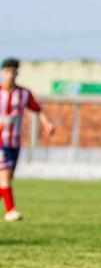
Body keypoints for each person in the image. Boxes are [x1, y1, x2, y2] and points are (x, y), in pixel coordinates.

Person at [0, 58, 55, 221]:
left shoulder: (24, 94)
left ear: (17, 73)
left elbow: (37, 109)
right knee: (4, 174)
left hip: (15, 141)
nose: (10, 75)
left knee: (8, 178)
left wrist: (47, 124)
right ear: (3, 73)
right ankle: (11, 211)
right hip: (0, 142)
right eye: (7, 71)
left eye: (13, 71)